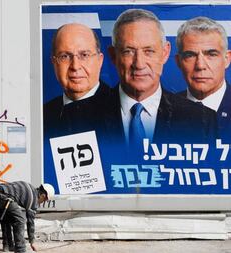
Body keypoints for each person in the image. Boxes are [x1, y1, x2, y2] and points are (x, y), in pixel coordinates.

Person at [105, 9, 217, 155]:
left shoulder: (201, 120)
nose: (139, 64)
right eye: (128, 51)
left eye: (149, 51)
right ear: (113, 56)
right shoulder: (79, 115)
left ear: (165, 53)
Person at [44, 23, 111, 137]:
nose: (75, 66)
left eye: (84, 55)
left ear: (100, 61)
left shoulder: (123, 111)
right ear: (54, 63)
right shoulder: (43, 114)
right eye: (65, 56)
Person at [175, 17, 231, 138]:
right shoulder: (160, 111)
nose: (200, 65)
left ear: (227, 59)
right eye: (190, 55)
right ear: (178, 62)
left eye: (211, 54)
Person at [0, 181, 55, 253]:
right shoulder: (33, 199)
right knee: (20, 220)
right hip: (3, 196)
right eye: (45, 200)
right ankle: (20, 249)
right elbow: (30, 222)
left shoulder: (30, 188)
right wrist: (32, 242)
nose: (43, 202)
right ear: (43, 195)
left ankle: (8, 246)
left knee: (6, 220)